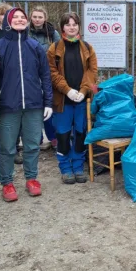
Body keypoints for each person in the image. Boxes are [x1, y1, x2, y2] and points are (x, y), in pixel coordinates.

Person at [0, 7, 53, 202]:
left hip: (33, 105)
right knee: (7, 147)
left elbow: (45, 75)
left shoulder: (35, 46)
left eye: (22, 17)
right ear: (7, 21)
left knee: (33, 145)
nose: (19, 20)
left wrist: (48, 102)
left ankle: (32, 179)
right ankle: (7, 182)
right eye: (15, 17)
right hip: (7, 106)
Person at [47, 12, 98, 184]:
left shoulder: (88, 48)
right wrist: (67, 90)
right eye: (68, 24)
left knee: (80, 133)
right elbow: (52, 74)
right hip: (63, 101)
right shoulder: (54, 49)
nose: (71, 27)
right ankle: (65, 168)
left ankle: (78, 167)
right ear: (62, 27)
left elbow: (92, 72)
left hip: (82, 100)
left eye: (74, 24)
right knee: (62, 134)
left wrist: (83, 91)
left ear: (79, 26)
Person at [29, 6, 61, 150]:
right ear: (31, 17)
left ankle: (53, 137)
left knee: (49, 105)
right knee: (34, 106)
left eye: (40, 17)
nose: (37, 20)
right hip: (30, 73)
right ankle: (37, 137)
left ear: (45, 18)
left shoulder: (52, 33)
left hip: (47, 73)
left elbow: (59, 51)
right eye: (35, 17)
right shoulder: (25, 32)